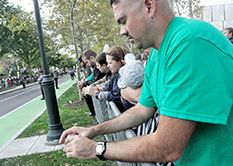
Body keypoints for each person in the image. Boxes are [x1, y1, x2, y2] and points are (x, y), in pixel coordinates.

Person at [59, 0, 233, 165]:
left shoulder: (188, 43)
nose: (122, 31)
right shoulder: (157, 55)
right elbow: (142, 110)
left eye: (123, 21)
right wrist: (93, 131)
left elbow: (167, 146)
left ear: (149, 6)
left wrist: (96, 149)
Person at [78, 50, 106, 116]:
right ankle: (94, 112)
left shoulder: (96, 65)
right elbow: (94, 77)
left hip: (102, 87)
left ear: (92, 58)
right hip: (102, 85)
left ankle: (95, 112)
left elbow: (96, 79)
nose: (87, 65)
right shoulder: (94, 66)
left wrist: (84, 84)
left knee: (87, 92)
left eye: (87, 62)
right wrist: (84, 82)